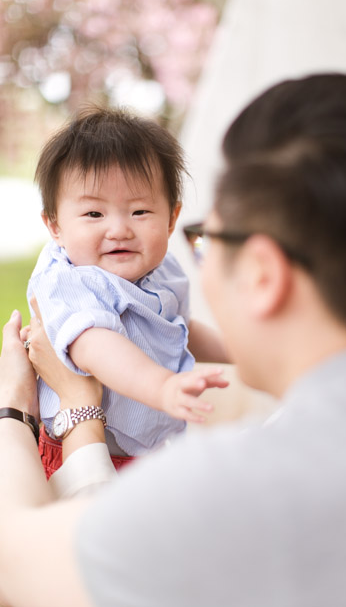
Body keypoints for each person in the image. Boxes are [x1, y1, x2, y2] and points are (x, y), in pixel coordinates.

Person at [2, 72, 346, 607]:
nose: (121, 229)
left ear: (262, 274)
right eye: (94, 212)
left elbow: (14, 560)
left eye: (205, 240)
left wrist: (14, 409)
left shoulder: (238, 487)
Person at [27, 106, 228, 477]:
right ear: (54, 226)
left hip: (152, 448)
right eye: (94, 215)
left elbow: (180, 329)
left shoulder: (161, 269)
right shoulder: (69, 279)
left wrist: (241, 352)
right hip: (80, 447)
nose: (119, 229)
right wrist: (163, 386)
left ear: (170, 219)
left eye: (139, 212)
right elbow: (94, 345)